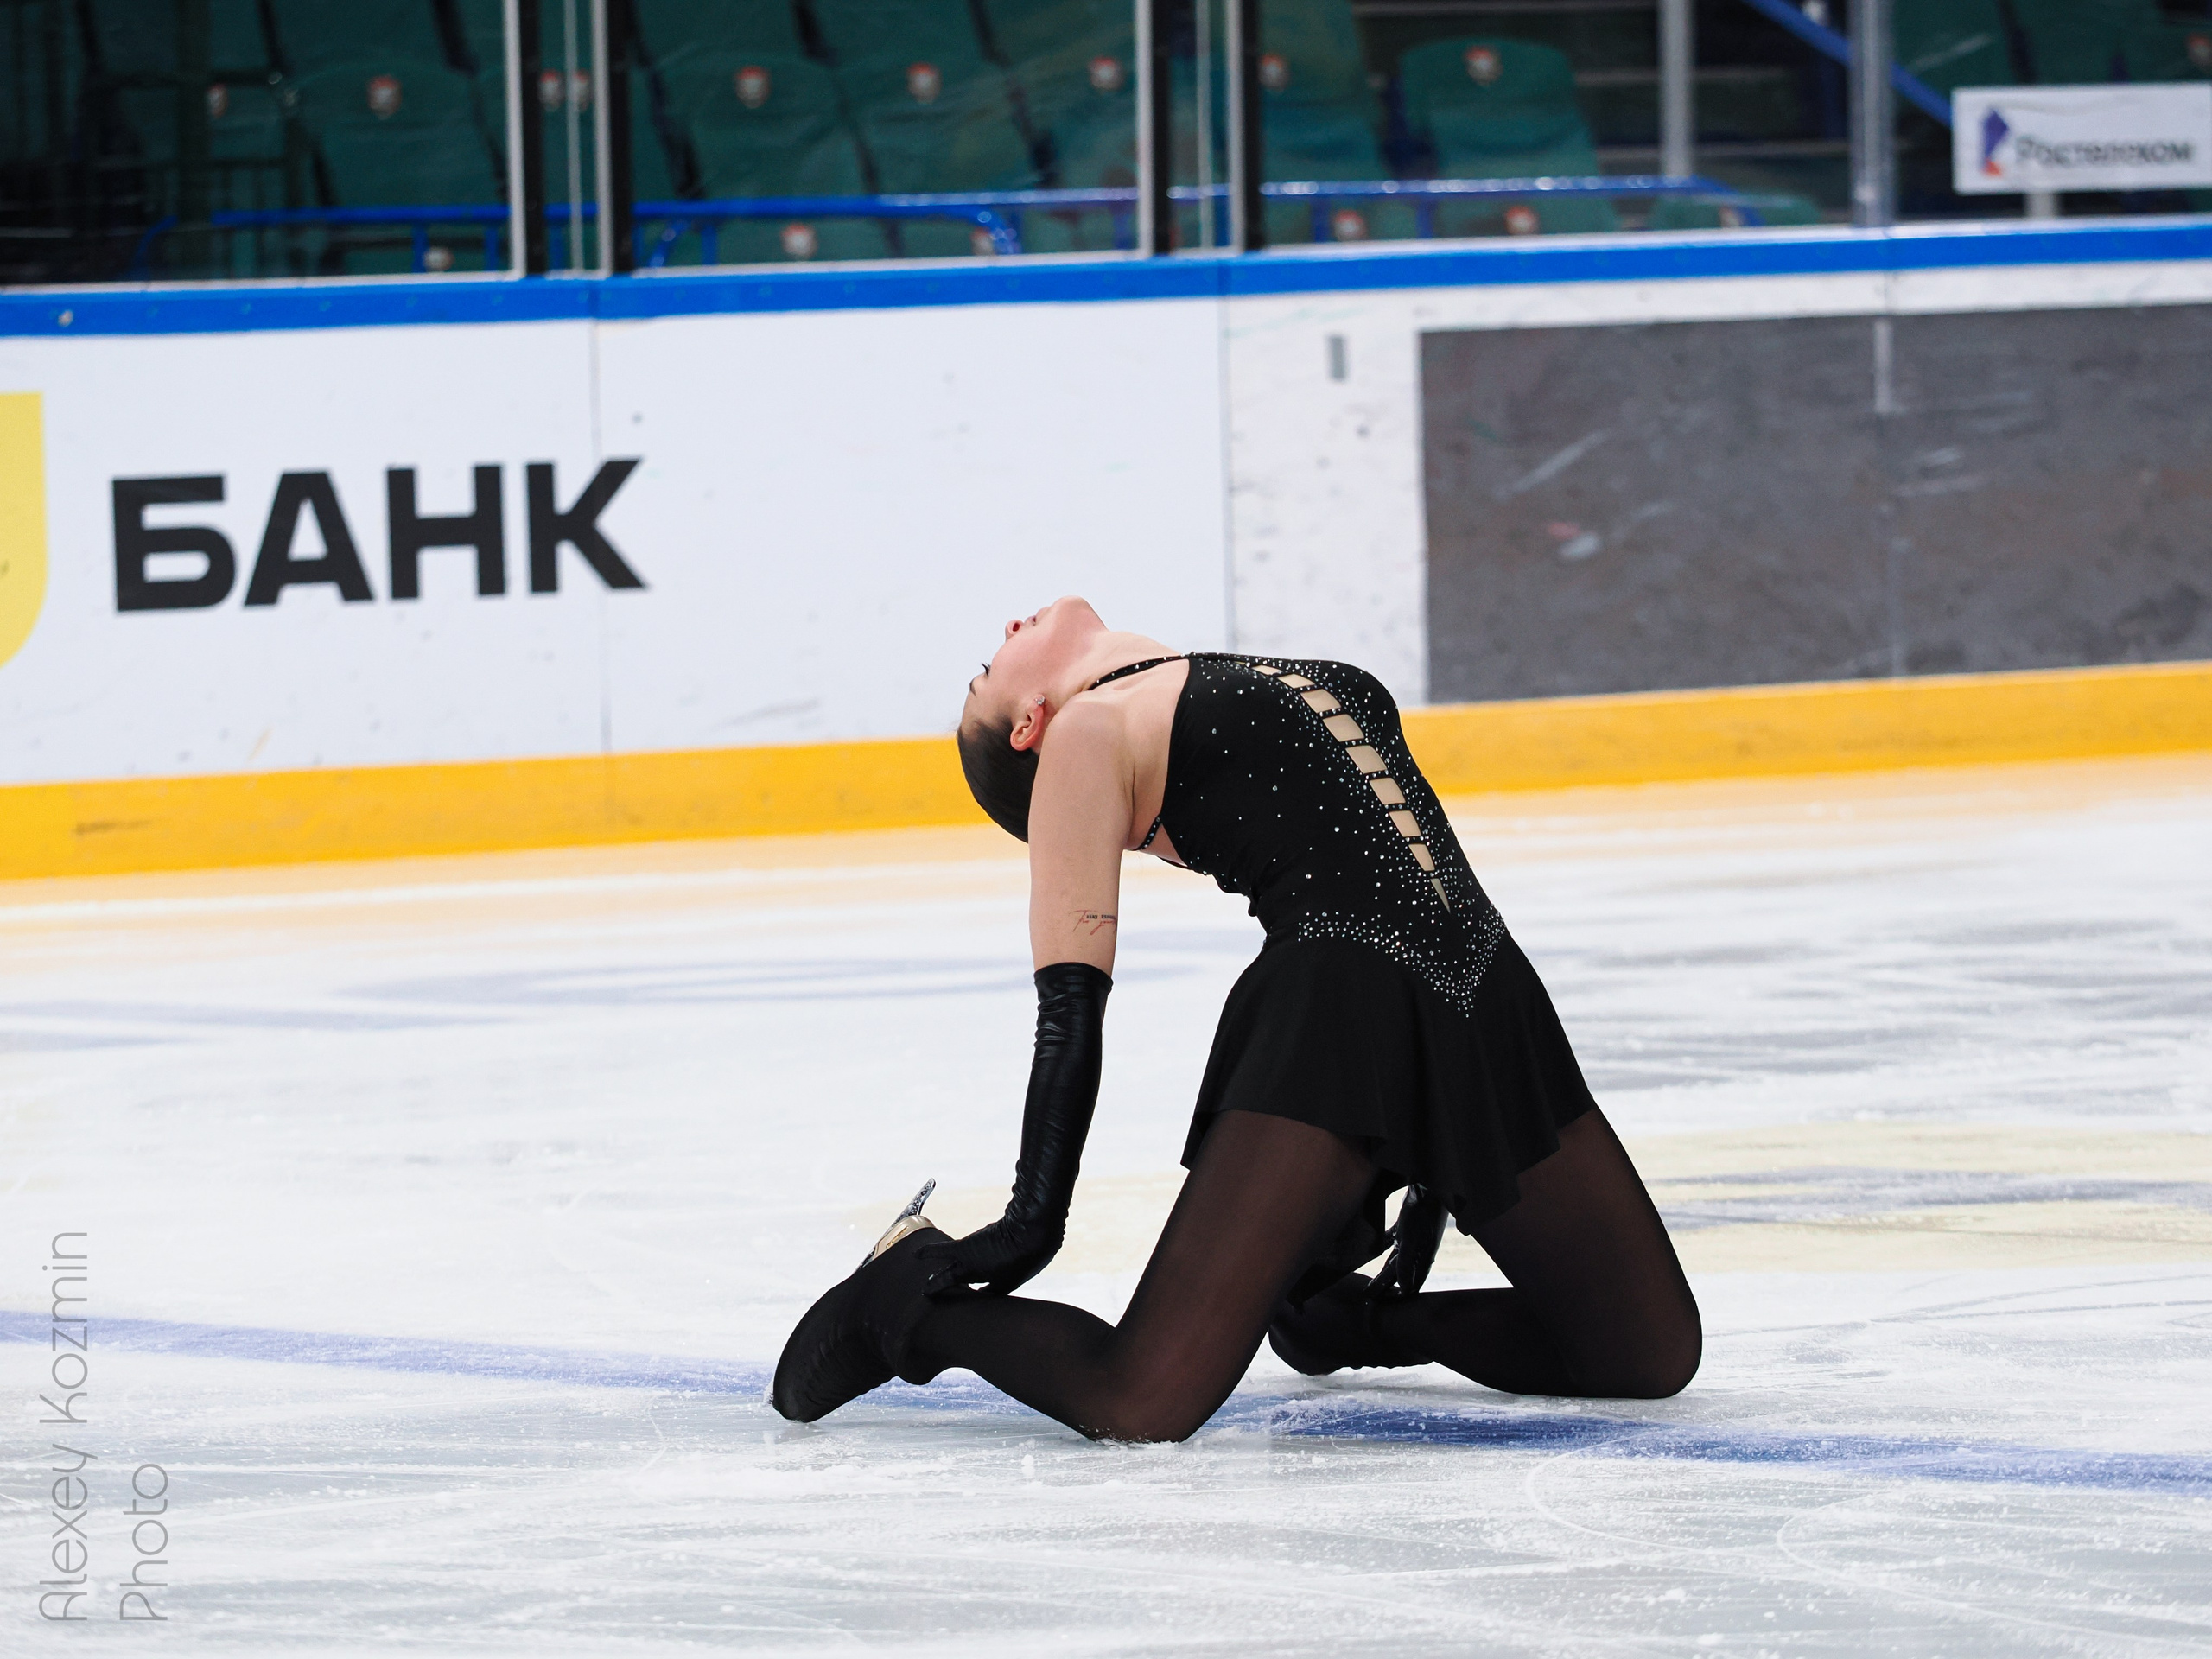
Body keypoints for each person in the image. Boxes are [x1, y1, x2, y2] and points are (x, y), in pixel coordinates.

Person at [773, 598, 1700, 1442]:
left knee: (1644, 1355)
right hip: (1336, 1016)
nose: (1009, 627)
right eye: (988, 667)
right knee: (1141, 1399)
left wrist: (1441, 1138)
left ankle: (1348, 1324)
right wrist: (1032, 1218)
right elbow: (1070, 1013)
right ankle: (903, 1305)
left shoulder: (1219, 672)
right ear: (1029, 727)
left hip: (1485, 1000)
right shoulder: (1087, 735)